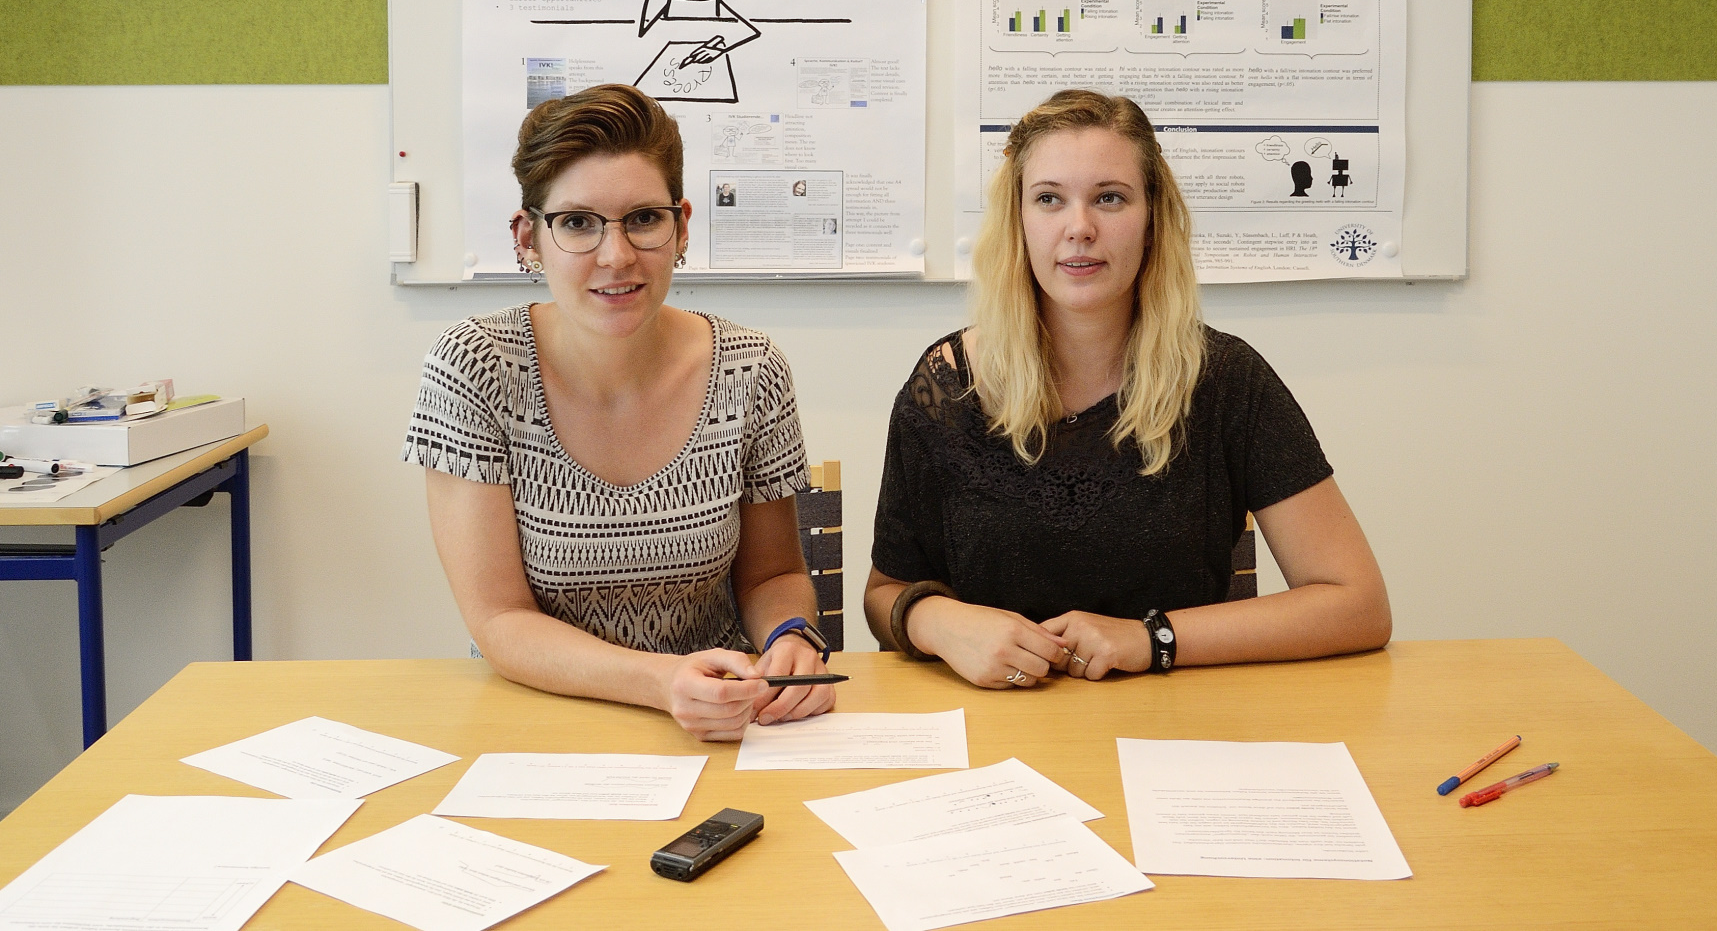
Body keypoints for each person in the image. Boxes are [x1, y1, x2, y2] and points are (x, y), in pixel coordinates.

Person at [864, 89, 1389, 689]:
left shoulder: (1225, 380)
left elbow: (1358, 605)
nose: (1079, 228)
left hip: (1176, 733)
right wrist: (940, 622)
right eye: (1049, 200)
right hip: (995, 736)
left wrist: (1150, 638)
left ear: (1152, 219)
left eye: (1109, 198)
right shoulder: (946, 385)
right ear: (1018, 221)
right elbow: (886, 595)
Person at [404, 84, 834, 739]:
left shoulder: (752, 369)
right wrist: (660, 682)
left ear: (681, 225)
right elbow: (498, 618)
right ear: (527, 238)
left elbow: (773, 573)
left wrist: (790, 633)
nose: (616, 255)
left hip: (718, 722)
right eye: (577, 222)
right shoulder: (475, 367)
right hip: (542, 719)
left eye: (643, 218)